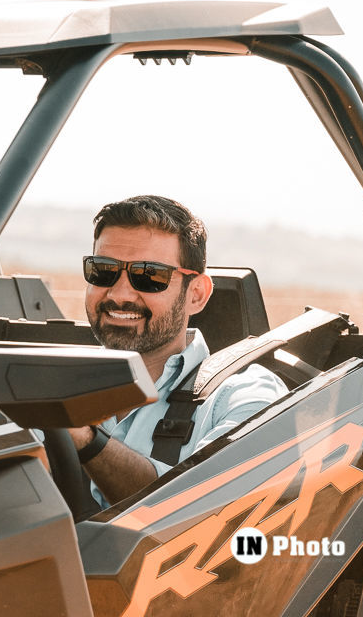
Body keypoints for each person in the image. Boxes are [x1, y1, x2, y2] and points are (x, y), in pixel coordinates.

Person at [71, 195, 287, 507]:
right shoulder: (45, 379)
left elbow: (203, 510)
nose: (119, 294)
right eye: (103, 271)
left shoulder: (244, 396)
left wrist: (85, 440)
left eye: (148, 276)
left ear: (196, 294)